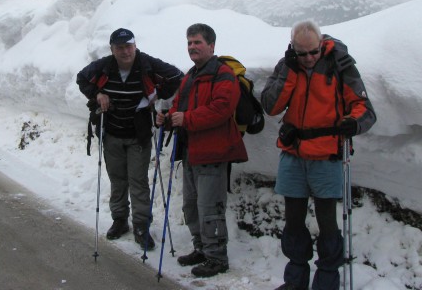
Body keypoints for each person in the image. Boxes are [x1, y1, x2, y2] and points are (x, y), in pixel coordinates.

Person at [260, 20, 376, 290]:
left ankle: (326, 282)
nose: (309, 58)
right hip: (293, 154)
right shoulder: (287, 65)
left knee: (327, 223)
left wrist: (354, 123)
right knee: (293, 221)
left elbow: (364, 108)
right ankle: (296, 281)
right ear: (293, 49)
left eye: (314, 51)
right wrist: (290, 70)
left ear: (321, 43)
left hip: (327, 156)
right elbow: (271, 106)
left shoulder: (340, 63)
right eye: (303, 53)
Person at [76, 28, 183, 250]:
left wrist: (156, 94)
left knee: (138, 180)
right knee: (117, 179)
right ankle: (120, 220)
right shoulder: (104, 66)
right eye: (119, 48)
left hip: (139, 135)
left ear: (135, 45)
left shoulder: (147, 64)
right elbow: (82, 78)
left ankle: (141, 225)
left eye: (128, 46)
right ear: (112, 49)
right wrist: (98, 94)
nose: (125, 52)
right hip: (112, 133)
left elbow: (177, 77)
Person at [157, 23, 248, 278]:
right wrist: (167, 117)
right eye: (189, 43)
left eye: (197, 42)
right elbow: (179, 106)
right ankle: (201, 249)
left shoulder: (224, 75)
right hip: (191, 152)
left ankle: (217, 257)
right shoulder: (190, 76)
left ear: (211, 45)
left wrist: (187, 119)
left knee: (210, 208)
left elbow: (221, 109)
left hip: (213, 152)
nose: (192, 47)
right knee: (191, 206)